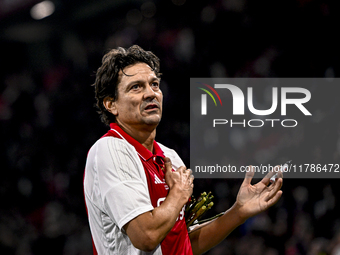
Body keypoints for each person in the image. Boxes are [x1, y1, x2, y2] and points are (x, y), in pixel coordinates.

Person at [83, 45, 283, 255]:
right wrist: (178, 194)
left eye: (154, 84)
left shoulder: (171, 157)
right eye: (136, 87)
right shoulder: (109, 150)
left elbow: (183, 243)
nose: (151, 94)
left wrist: (238, 212)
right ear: (111, 104)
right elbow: (147, 236)